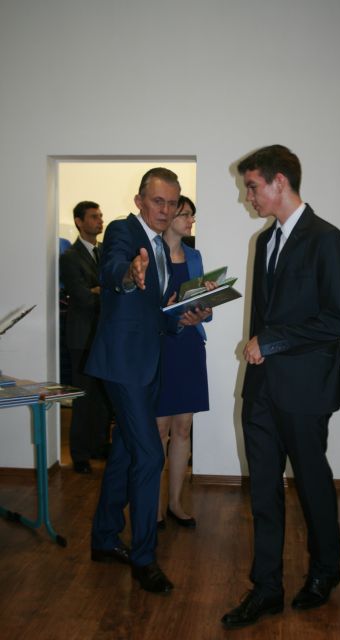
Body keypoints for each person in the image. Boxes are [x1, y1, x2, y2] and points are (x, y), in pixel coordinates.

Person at [221, 145, 340, 629]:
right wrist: (257, 353)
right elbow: (263, 319)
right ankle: (267, 588)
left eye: (252, 186)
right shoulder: (263, 243)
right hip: (261, 391)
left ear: (280, 182)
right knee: (263, 491)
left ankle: (324, 572)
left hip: (306, 390)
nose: (248, 196)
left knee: (312, 486)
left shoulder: (327, 239)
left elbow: (339, 320)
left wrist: (272, 341)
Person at [85, 168, 212, 594]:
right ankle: (144, 558)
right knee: (149, 455)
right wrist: (129, 274)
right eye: (158, 201)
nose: (166, 209)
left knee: (125, 454)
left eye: (173, 203)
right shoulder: (124, 231)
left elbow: (157, 314)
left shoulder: (161, 246)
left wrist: (183, 317)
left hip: (150, 365)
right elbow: (115, 270)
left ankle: (104, 538)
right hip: (124, 367)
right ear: (139, 201)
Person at [156, 196, 210, 529]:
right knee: (159, 430)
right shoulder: (150, 252)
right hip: (161, 347)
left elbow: (202, 305)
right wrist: (171, 314)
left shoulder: (194, 256)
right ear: (170, 216)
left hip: (189, 345)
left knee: (183, 428)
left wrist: (204, 310)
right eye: (186, 214)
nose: (191, 220)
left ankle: (175, 503)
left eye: (192, 215)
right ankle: (153, 507)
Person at [59, 202, 113, 474]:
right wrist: (101, 292)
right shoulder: (69, 256)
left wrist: (99, 290)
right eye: (93, 217)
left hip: (104, 336)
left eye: (100, 216)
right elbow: (81, 297)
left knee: (103, 395)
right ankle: (79, 454)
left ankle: (99, 445)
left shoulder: (105, 251)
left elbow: (112, 289)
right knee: (83, 397)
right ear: (79, 222)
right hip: (81, 337)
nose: (99, 220)